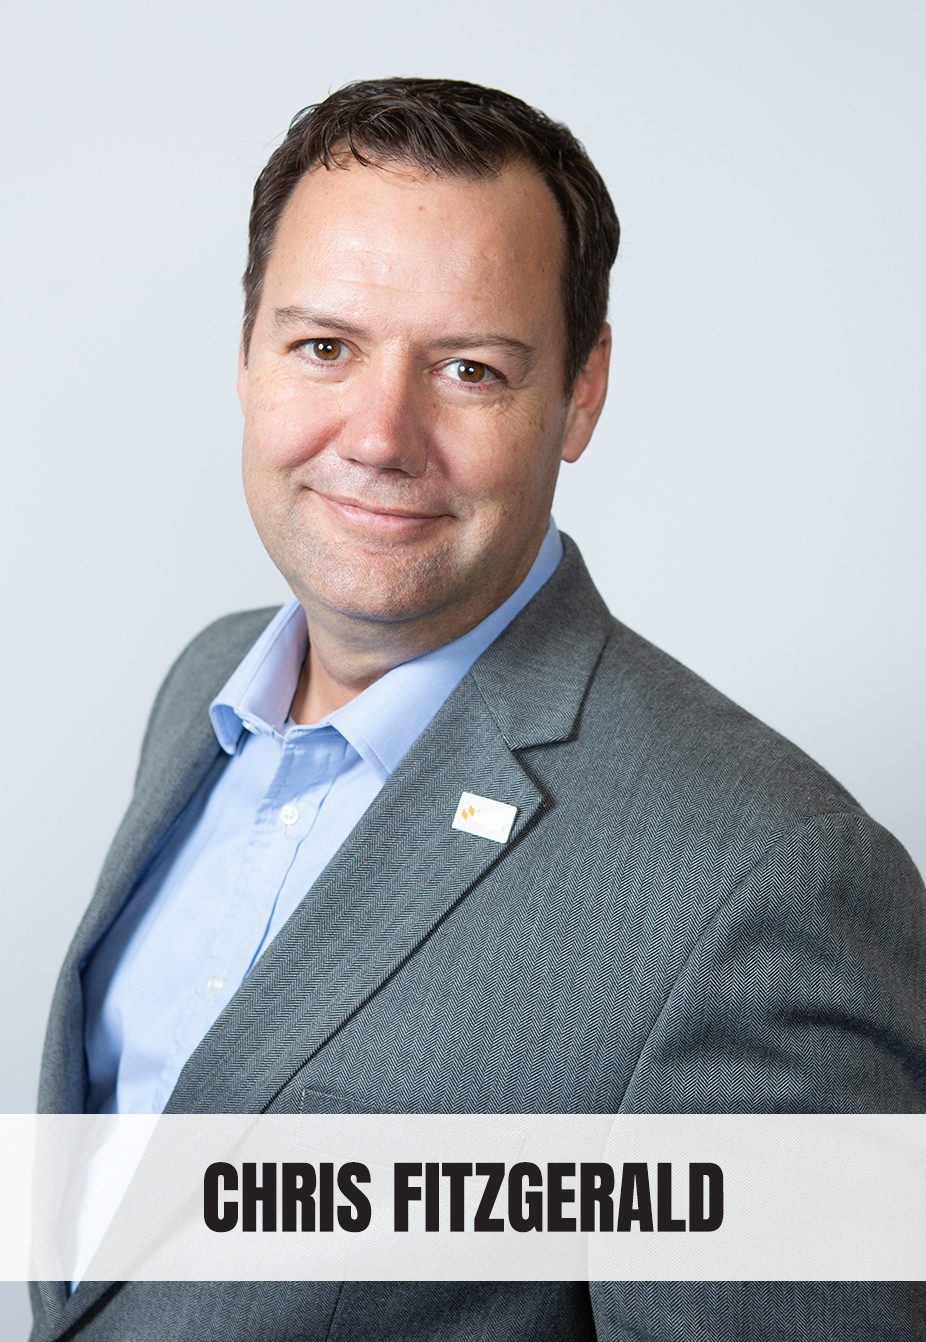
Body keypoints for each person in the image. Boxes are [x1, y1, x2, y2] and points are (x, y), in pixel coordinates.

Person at [32, 77, 926, 1341]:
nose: (380, 435)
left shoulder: (764, 885)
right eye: (323, 346)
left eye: (468, 368)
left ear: (580, 393)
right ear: (246, 353)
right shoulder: (204, 688)